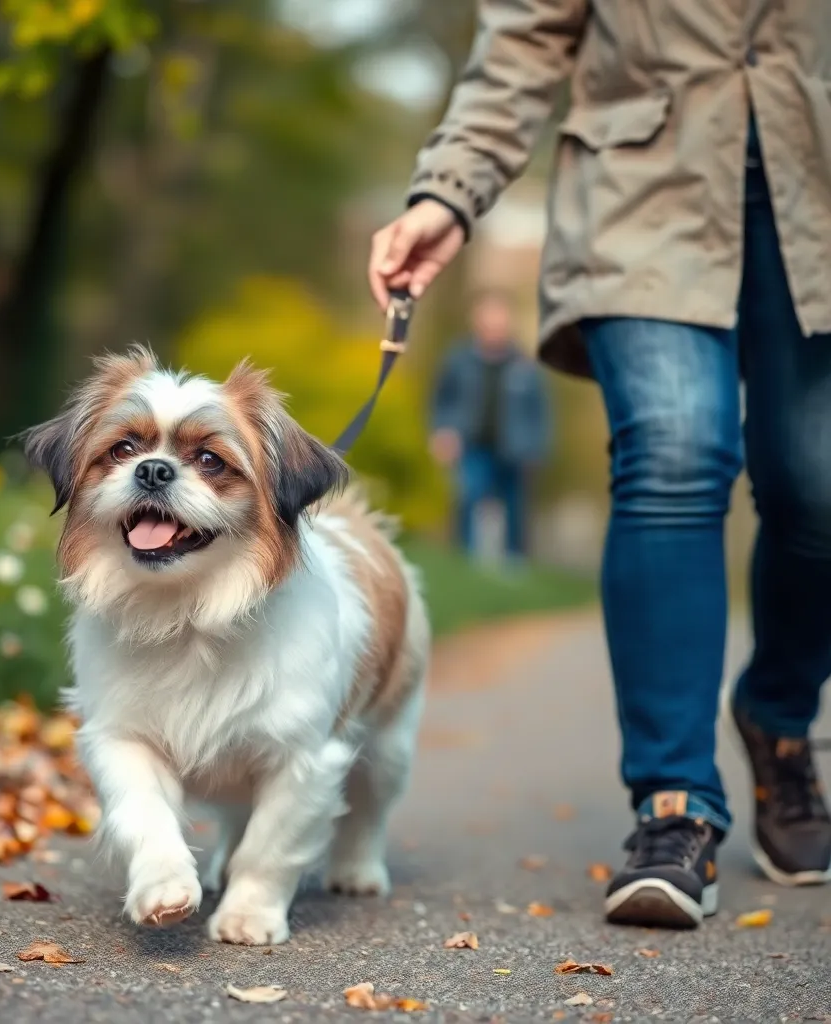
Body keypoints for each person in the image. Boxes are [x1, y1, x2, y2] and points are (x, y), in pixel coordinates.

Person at [368, 2, 831, 929]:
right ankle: (674, 802)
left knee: (816, 489)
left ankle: (778, 716)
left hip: (814, 185)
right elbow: (525, 36)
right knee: (673, 451)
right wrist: (449, 192)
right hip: (643, 190)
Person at [430, 290, 549, 562]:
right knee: (468, 498)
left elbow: (539, 411)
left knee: (516, 508)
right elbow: (441, 400)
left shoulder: (525, 364)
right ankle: (464, 560)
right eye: (488, 316)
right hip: (471, 445)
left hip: (515, 450)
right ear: (476, 320)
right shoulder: (458, 359)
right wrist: (442, 431)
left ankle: (516, 562)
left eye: (499, 316)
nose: (494, 323)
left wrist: (537, 449)